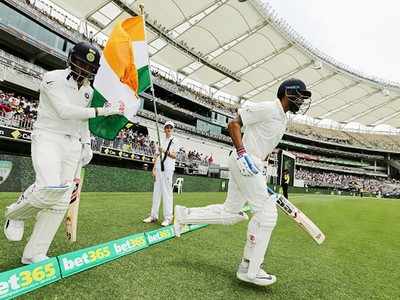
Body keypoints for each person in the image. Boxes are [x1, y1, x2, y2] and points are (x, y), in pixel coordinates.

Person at [174, 79, 312, 286]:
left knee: (231, 214)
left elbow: (262, 142)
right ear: (287, 93)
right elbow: (234, 124)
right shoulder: (268, 108)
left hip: (253, 165)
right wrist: (242, 153)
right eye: (300, 95)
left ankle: (184, 215)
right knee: (267, 214)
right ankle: (250, 268)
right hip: (244, 160)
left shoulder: (283, 118)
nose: (301, 100)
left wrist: (260, 167)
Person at [3, 41, 125, 264]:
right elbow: (65, 111)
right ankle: (14, 213)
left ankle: (33, 253)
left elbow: (82, 120)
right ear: (71, 60)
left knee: (60, 202)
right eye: (80, 63)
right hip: (48, 136)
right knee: (49, 187)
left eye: (89, 68)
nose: (84, 70)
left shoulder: (89, 90)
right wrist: (103, 111)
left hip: (73, 145)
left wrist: (87, 144)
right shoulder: (52, 78)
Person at [143, 121, 177, 226]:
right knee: (156, 192)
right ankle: (153, 216)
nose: (168, 129)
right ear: (164, 129)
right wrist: (154, 168)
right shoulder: (161, 140)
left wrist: (165, 151)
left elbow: (174, 155)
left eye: (170, 127)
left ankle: (168, 217)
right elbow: (157, 155)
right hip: (158, 169)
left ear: (172, 129)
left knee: (167, 193)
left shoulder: (175, 140)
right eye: (167, 127)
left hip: (167, 169)